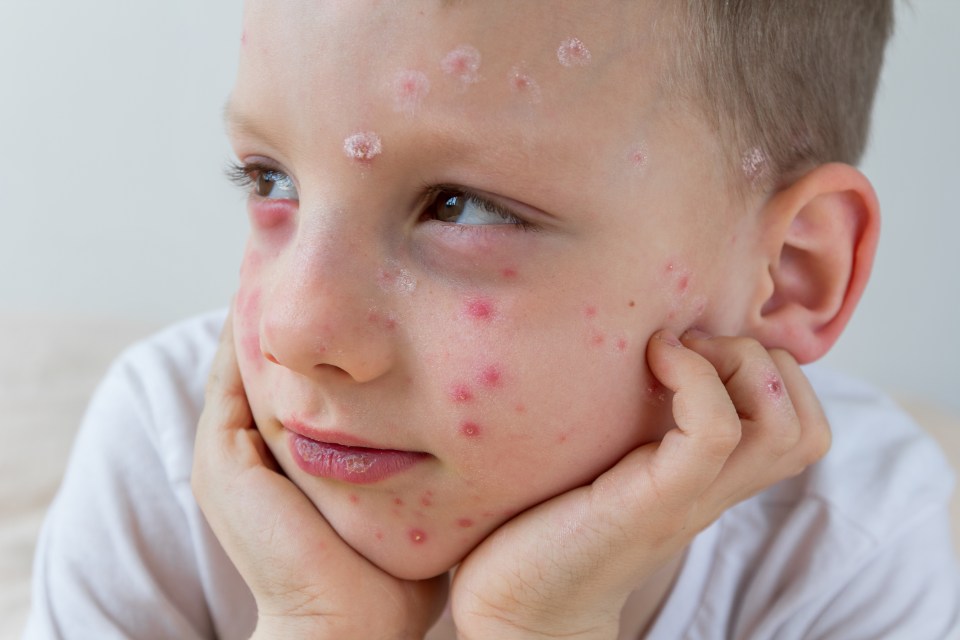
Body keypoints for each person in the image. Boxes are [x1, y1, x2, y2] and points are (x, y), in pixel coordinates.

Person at [24, 1, 960, 638]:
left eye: (461, 205)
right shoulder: (165, 455)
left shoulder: (845, 549)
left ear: (790, 274)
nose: (295, 330)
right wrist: (314, 622)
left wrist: (540, 628)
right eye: (271, 180)